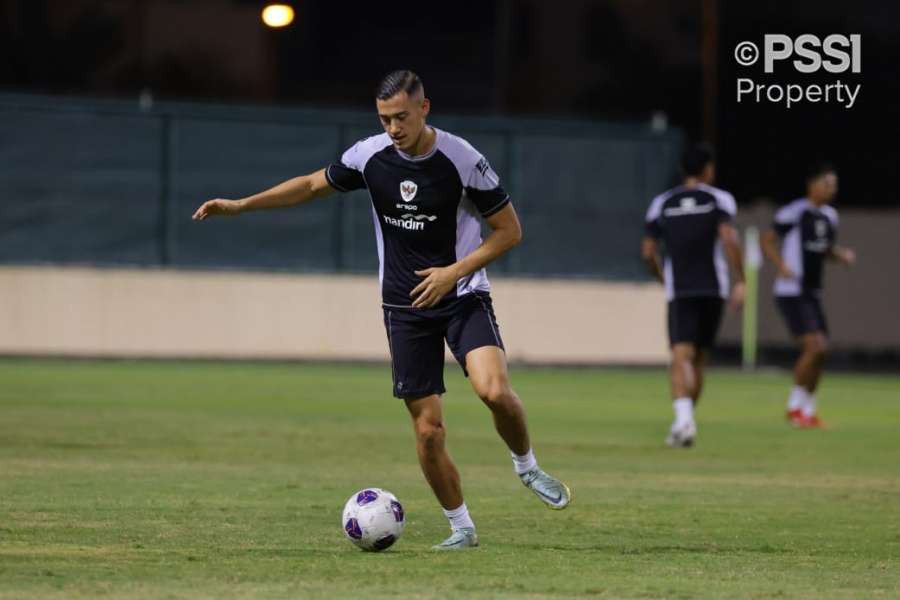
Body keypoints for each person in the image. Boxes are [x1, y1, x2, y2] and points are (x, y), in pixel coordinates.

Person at [192, 70, 571, 550]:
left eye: (401, 117)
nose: (393, 128)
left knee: (494, 392)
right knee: (429, 431)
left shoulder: (462, 159)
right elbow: (310, 186)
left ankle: (527, 466)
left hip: (462, 294)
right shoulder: (370, 156)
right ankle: (462, 529)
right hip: (404, 306)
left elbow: (509, 231)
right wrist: (242, 205)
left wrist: (453, 272)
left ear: (424, 108)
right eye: (385, 119)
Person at [641, 144, 745, 448]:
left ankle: (684, 420)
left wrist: (662, 277)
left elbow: (648, 252)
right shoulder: (720, 199)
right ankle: (685, 422)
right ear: (708, 170)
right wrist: (741, 280)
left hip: (681, 290)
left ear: (682, 170)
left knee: (679, 355)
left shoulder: (662, 203)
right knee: (699, 358)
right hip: (714, 289)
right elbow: (728, 237)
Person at [761, 164, 855, 428]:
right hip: (791, 291)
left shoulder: (830, 216)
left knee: (821, 352)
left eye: (834, 185)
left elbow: (824, 250)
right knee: (815, 347)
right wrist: (781, 266)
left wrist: (841, 255)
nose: (831, 189)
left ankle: (808, 410)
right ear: (811, 185)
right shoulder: (794, 212)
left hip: (813, 292)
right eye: (827, 184)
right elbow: (767, 240)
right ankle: (794, 408)